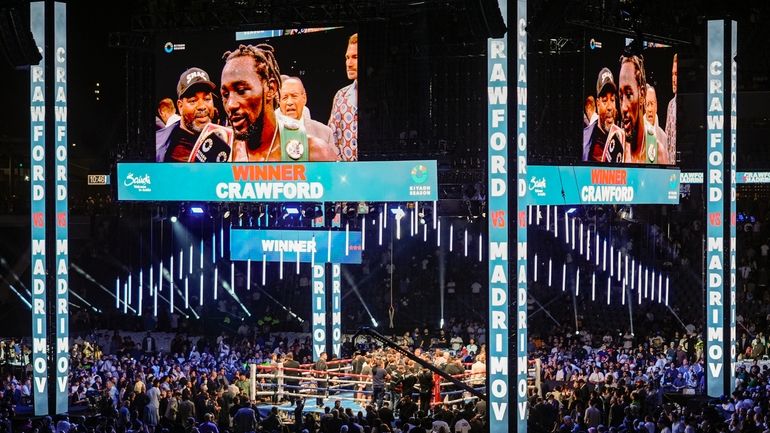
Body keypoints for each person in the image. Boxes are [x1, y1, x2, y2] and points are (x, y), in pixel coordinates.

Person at [220, 44, 337, 162]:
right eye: (225, 95)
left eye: (241, 91)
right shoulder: (221, 154)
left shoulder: (316, 153)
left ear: (271, 89)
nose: (230, 105)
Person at [156, 67, 218, 162]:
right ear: (180, 107)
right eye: (193, 101)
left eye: (207, 99)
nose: (202, 106)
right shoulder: (159, 146)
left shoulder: (225, 139)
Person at [618, 53, 669, 164]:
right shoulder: (616, 150)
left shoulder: (658, 153)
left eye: (629, 94)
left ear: (641, 94)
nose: (623, 107)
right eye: (621, 97)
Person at [279, 76, 336, 149]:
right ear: (279, 102)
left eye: (294, 96)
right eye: (285, 97)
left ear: (304, 99)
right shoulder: (270, 136)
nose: (289, 102)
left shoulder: (325, 133)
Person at [328, 33, 359, 161]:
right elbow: (331, 136)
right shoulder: (341, 96)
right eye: (347, 57)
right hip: (345, 174)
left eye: (355, 57)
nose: (349, 63)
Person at [583, 67, 623, 162]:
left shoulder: (622, 139)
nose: (609, 107)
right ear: (598, 104)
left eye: (612, 100)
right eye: (605, 101)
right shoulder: (586, 140)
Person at [644, 84, 668, 154]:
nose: (650, 109)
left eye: (652, 104)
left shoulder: (663, 137)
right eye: (647, 104)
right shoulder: (637, 134)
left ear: (656, 106)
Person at [665, 53, 677, 163]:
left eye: (676, 74)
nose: (673, 79)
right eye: (672, 74)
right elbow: (667, 141)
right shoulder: (671, 105)